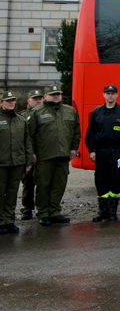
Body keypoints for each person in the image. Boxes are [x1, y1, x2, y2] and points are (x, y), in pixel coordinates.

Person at [27, 84, 81, 226]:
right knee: (43, 185)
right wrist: (31, 153)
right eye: (53, 94)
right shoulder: (37, 112)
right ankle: (43, 213)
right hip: (44, 155)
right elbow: (29, 135)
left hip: (63, 155)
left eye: (58, 94)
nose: (56, 96)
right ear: (46, 97)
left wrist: (74, 148)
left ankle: (55, 211)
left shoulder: (70, 111)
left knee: (59, 185)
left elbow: (76, 131)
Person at [86, 85, 120, 222]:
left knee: (115, 179)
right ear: (104, 95)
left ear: (117, 95)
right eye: (108, 93)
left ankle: (113, 211)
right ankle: (102, 210)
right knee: (101, 180)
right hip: (101, 150)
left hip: (117, 150)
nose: (110, 96)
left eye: (113, 93)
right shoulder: (96, 112)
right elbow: (90, 134)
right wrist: (91, 150)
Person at [0, 91, 31, 234]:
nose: (11, 103)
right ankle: (0, 221)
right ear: (1, 103)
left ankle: (9, 220)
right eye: (8, 101)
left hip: (17, 162)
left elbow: (27, 142)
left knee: (12, 193)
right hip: (2, 163)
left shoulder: (21, 120)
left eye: (13, 100)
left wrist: (28, 161)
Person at [18, 89, 43, 221]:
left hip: (43, 154)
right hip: (28, 155)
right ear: (29, 101)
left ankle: (43, 209)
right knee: (28, 183)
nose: (38, 101)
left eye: (40, 99)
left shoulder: (45, 113)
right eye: (35, 99)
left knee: (43, 183)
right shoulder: (22, 116)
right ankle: (27, 209)